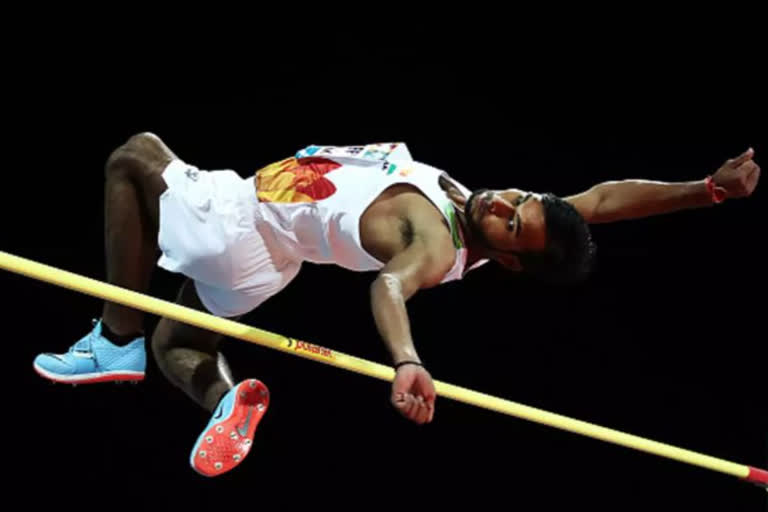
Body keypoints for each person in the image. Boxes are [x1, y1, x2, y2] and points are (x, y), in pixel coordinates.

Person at [32, 134, 760, 476]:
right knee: (180, 342)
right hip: (268, 260)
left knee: (133, 157)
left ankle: (112, 333)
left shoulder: (435, 243)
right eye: (524, 199)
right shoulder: (486, 212)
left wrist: (406, 359)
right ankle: (223, 400)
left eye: (512, 221)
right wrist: (709, 190)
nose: (505, 201)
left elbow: (388, 285)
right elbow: (600, 200)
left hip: (242, 219)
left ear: (504, 258)